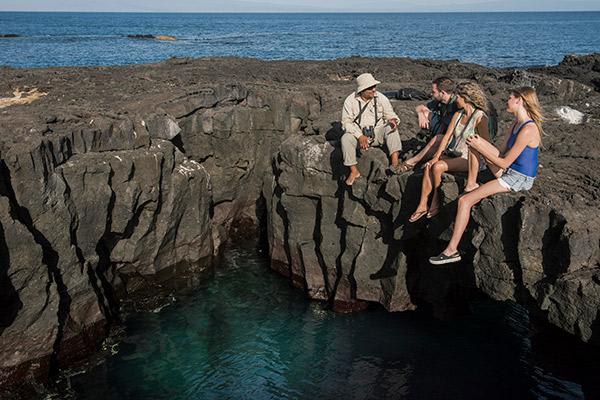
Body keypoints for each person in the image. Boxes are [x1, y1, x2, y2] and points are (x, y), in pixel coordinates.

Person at [429, 86, 543, 265]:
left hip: (518, 178)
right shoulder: (515, 124)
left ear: (519, 100)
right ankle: (471, 183)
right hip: (508, 169)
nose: (507, 100)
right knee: (474, 140)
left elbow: (504, 162)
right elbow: (501, 152)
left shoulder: (528, 129)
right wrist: (479, 145)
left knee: (464, 201)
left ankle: (451, 251)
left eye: (510, 98)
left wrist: (482, 148)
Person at [408, 81, 490, 223]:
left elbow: (486, 144)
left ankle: (435, 201)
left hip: (470, 158)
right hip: (455, 153)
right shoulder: (458, 114)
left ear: (466, 97)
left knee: (438, 167)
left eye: (458, 96)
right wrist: (436, 156)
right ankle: (422, 205)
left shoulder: (480, 118)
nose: (455, 99)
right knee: (429, 165)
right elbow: (446, 138)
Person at [341, 73, 401, 186]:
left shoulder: (381, 98)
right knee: (345, 138)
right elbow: (346, 123)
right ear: (362, 90)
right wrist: (359, 136)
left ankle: (395, 164)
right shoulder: (350, 101)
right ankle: (354, 171)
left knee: (391, 128)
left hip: (378, 133)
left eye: (374, 86)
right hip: (359, 136)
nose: (374, 89)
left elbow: (390, 114)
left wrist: (393, 120)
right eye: (370, 88)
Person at [396, 76, 459, 172]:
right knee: (425, 113)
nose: (431, 94)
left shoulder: (457, 104)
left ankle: (411, 162)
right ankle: (430, 144)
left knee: (438, 139)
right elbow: (420, 107)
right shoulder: (441, 101)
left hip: (454, 136)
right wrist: (421, 114)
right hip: (443, 129)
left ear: (442, 93)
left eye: (434, 92)